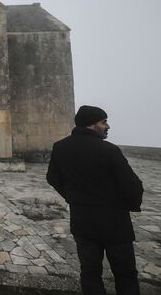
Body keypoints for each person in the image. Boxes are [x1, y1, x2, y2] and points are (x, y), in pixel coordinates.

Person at [47, 105, 143, 295]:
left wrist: (72, 197)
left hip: (82, 222)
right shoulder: (109, 150)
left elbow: (52, 178)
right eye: (103, 122)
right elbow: (132, 186)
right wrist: (130, 205)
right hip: (115, 224)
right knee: (125, 275)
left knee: (90, 274)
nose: (107, 126)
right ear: (91, 125)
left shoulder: (60, 147)